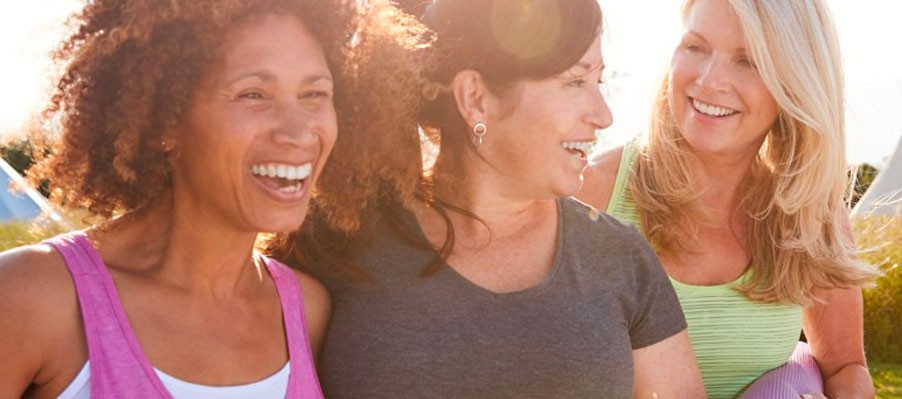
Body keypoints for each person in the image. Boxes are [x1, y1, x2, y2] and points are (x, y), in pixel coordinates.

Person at [270, 0, 706, 397]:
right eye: (574, 82)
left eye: (599, 80)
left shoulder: (620, 256)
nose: (602, 113)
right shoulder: (339, 236)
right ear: (475, 98)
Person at [0, 0, 426, 397]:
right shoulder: (31, 298)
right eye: (253, 94)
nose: (298, 132)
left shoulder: (307, 312)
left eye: (314, 94)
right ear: (166, 119)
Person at [578, 0, 879, 398]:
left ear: (794, 84)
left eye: (748, 61)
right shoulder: (591, 193)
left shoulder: (810, 216)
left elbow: (844, 366)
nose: (708, 80)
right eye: (696, 47)